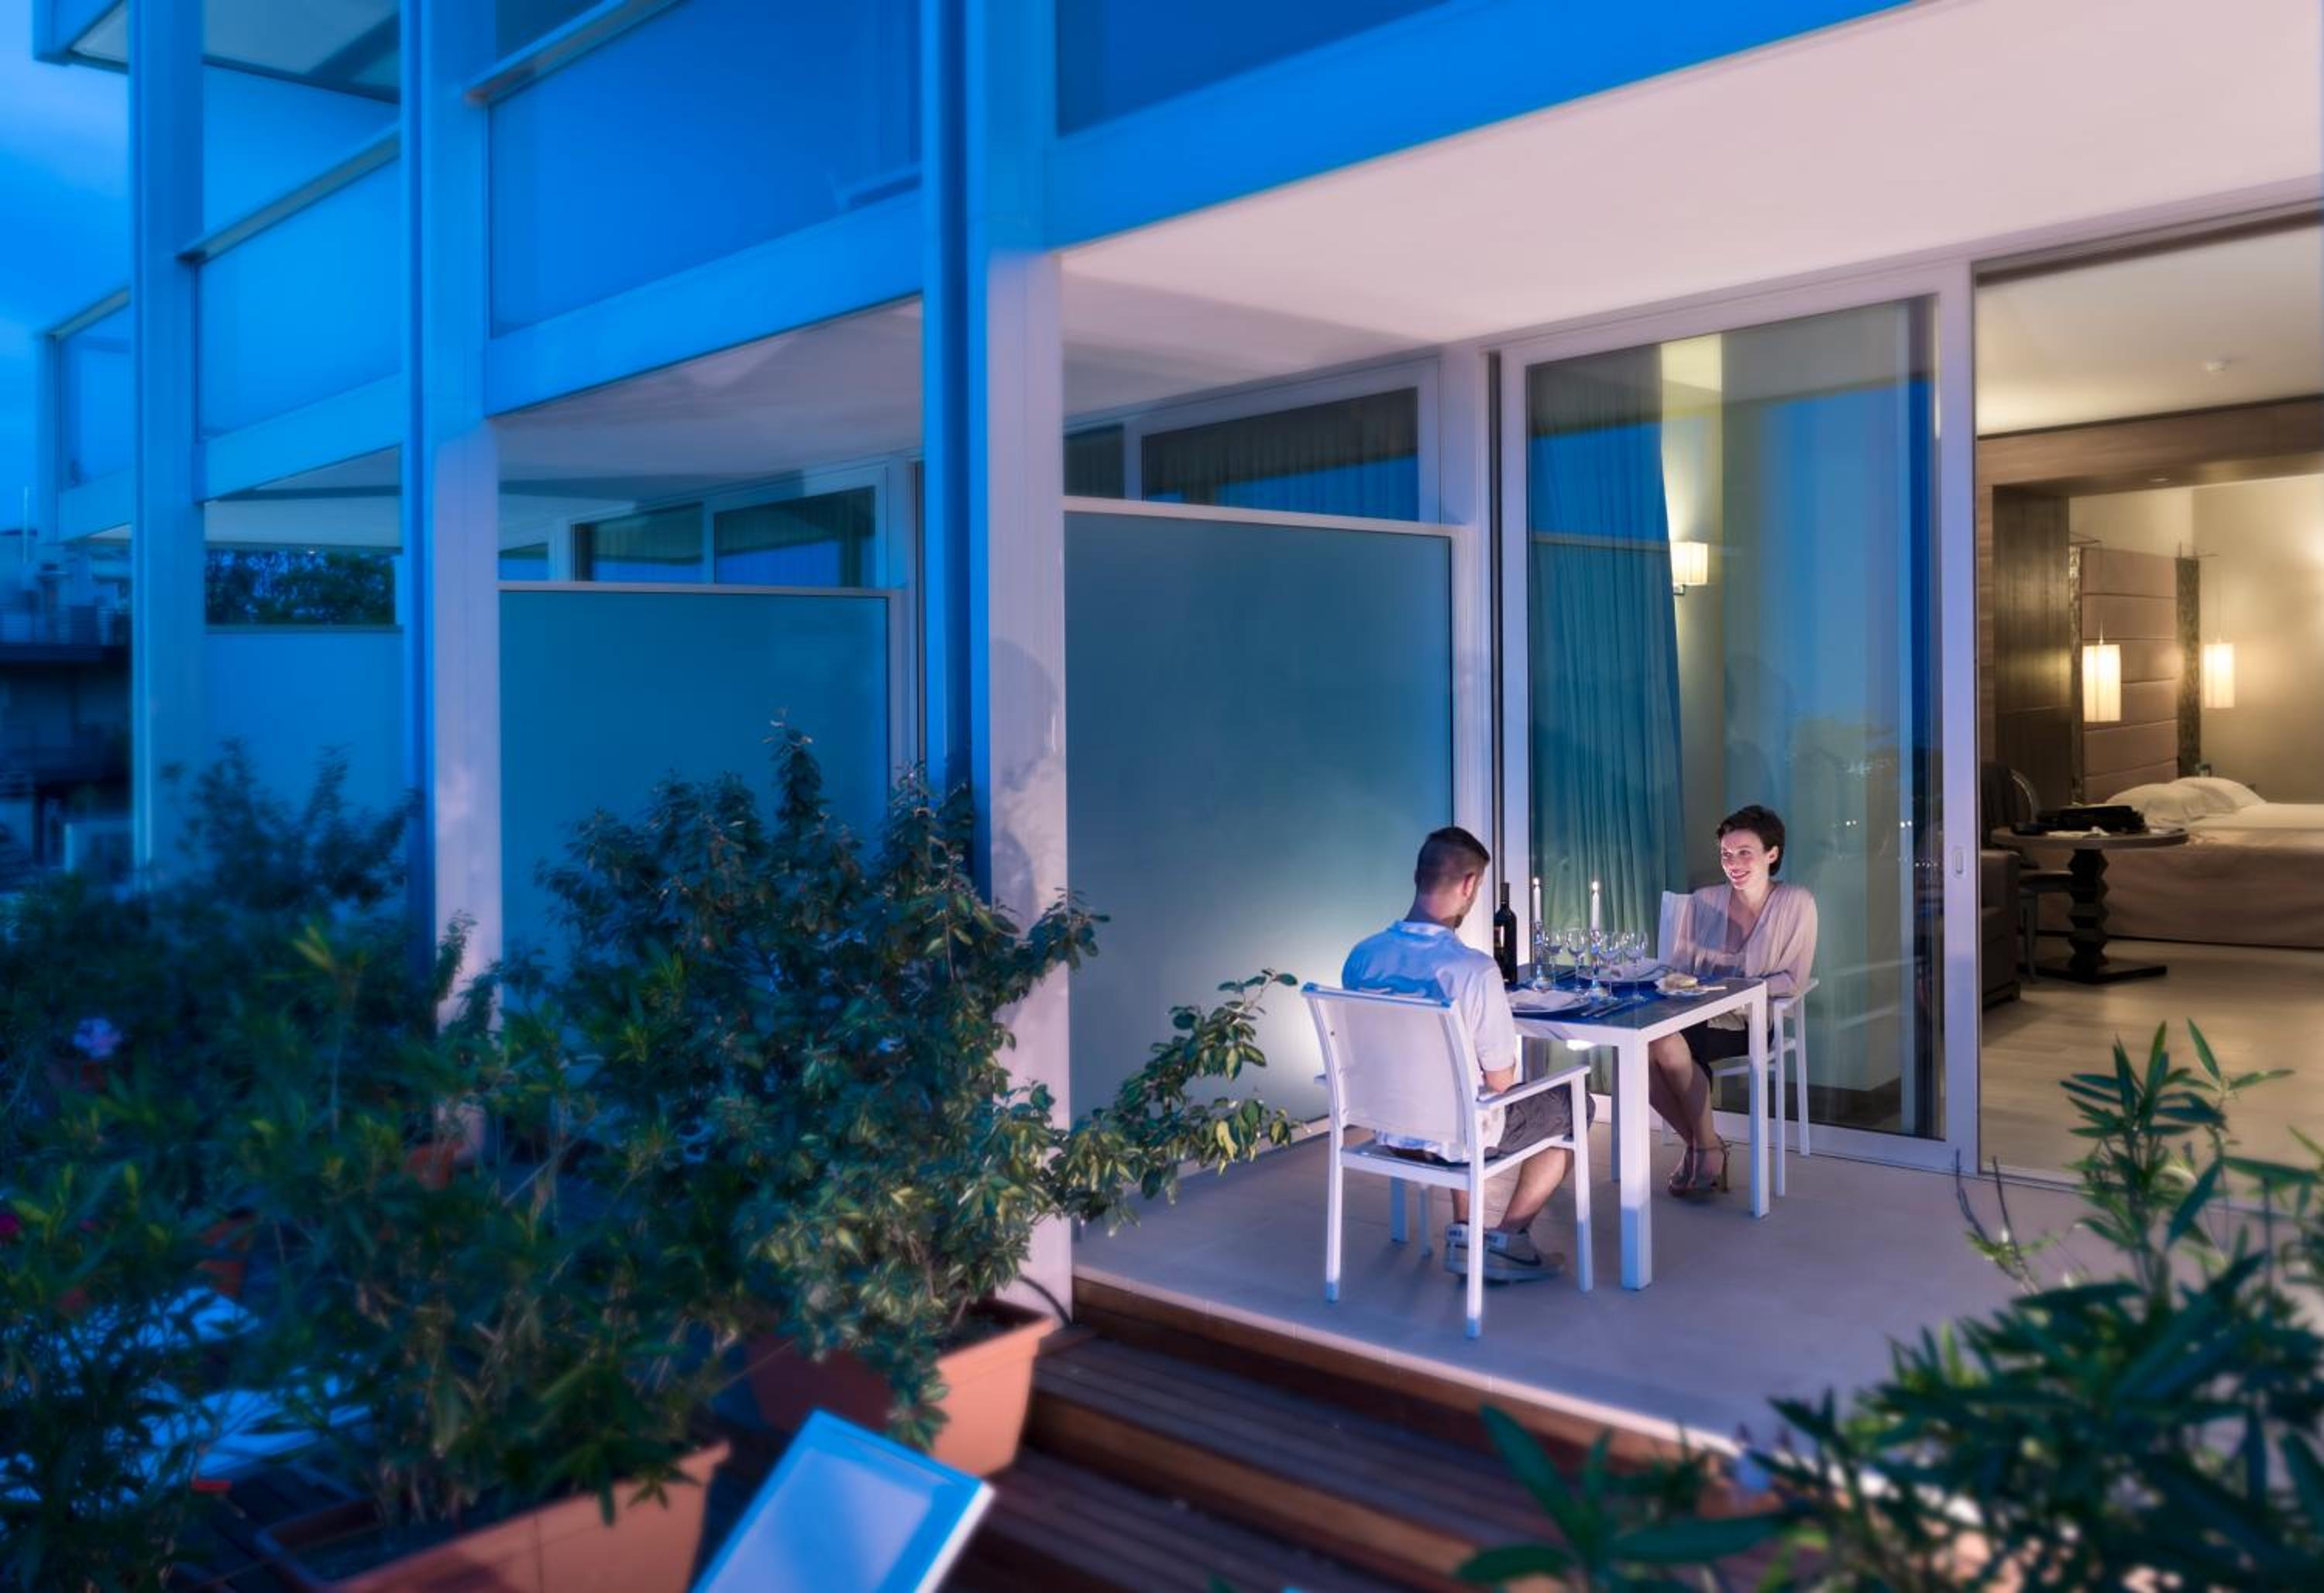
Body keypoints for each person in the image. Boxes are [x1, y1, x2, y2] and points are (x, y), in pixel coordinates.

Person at [1341, 825, 1591, 1284]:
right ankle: (1509, 1240)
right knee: (1573, 1102)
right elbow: (1500, 1082)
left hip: (1390, 1128)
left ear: (1418, 875)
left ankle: (1466, 1232)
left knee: (1461, 1095)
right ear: (1470, 884)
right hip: (1456, 1136)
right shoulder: (1473, 970)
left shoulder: (1363, 957)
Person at [1649, 805, 1817, 1199]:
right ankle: (1705, 1145)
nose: (1733, 863)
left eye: (1745, 853)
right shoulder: (1704, 900)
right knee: (1641, 1052)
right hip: (1693, 1011)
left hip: (1750, 1020)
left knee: (1662, 1043)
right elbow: (1678, 968)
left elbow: (1792, 979)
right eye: (1727, 854)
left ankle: (1703, 1149)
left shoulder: (1796, 903)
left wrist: (1734, 992)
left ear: (1772, 854)